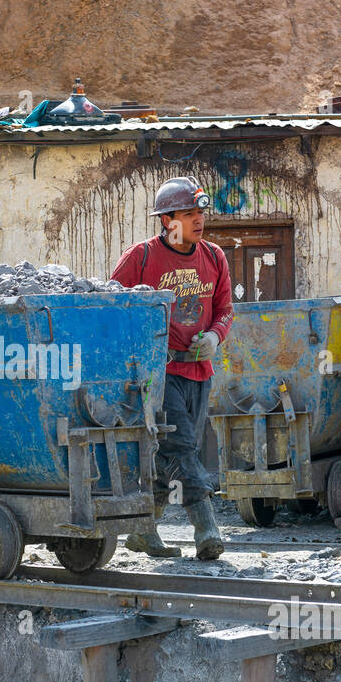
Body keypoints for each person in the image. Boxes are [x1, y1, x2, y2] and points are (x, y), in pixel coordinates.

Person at [111, 175, 232, 560]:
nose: (198, 219)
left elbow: (225, 310)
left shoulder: (214, 257)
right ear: (167, 220)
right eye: (188, 213)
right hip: (157, 376)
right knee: (182, 448)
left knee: (174, 452)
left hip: (199, 373)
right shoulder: (140, 258)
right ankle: (207, 528)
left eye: (200, 212)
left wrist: (214, 337)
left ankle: (144, 530)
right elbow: (113, 308)